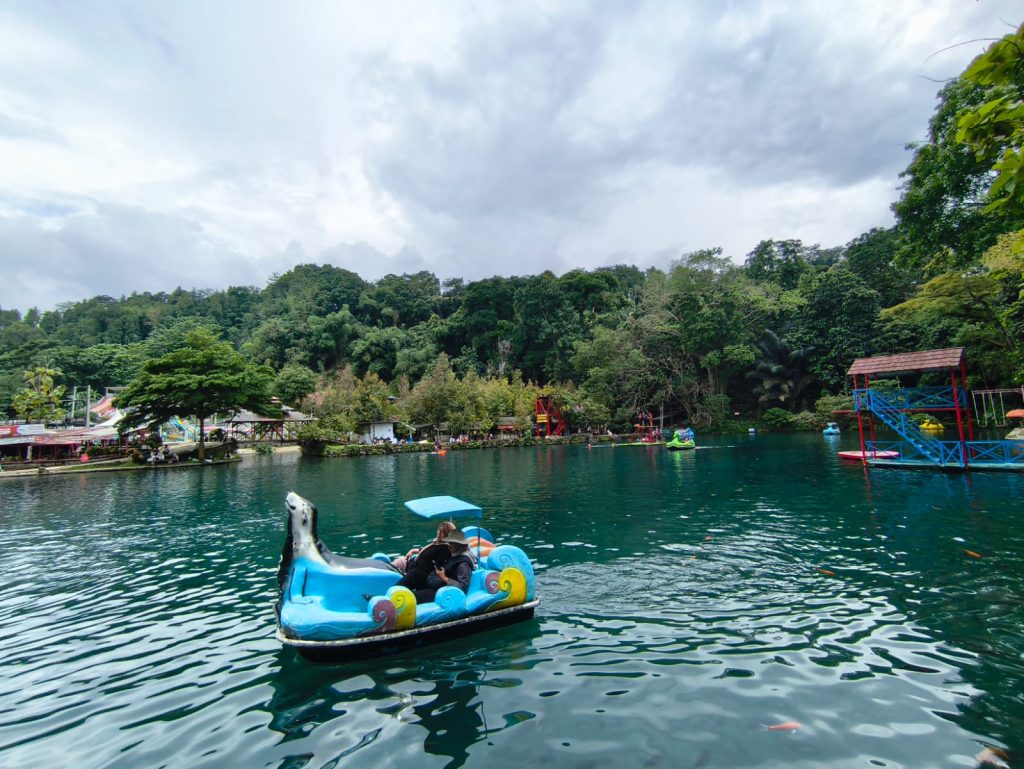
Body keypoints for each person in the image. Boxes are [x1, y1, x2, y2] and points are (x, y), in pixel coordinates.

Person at [412, 530, 475, 604]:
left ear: (460, 544)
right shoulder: (455, 554)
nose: (449, 545)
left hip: (444, 592)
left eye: (452, 543)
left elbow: (463, 588)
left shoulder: (463, 564)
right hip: (437, 584)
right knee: (414, 574)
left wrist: (444, 577)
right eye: (449, 542)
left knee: (414, 596)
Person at [393, 521, 458, 582]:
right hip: (411, 564)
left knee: (395, 566)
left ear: (447, 534)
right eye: (439, 530)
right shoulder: (437, 543)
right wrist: (414, 550)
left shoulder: (444, 549)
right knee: (397, 562)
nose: (439, 533)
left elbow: (436, 568)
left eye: (442, 532)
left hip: (414, 570)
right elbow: (428, 550)